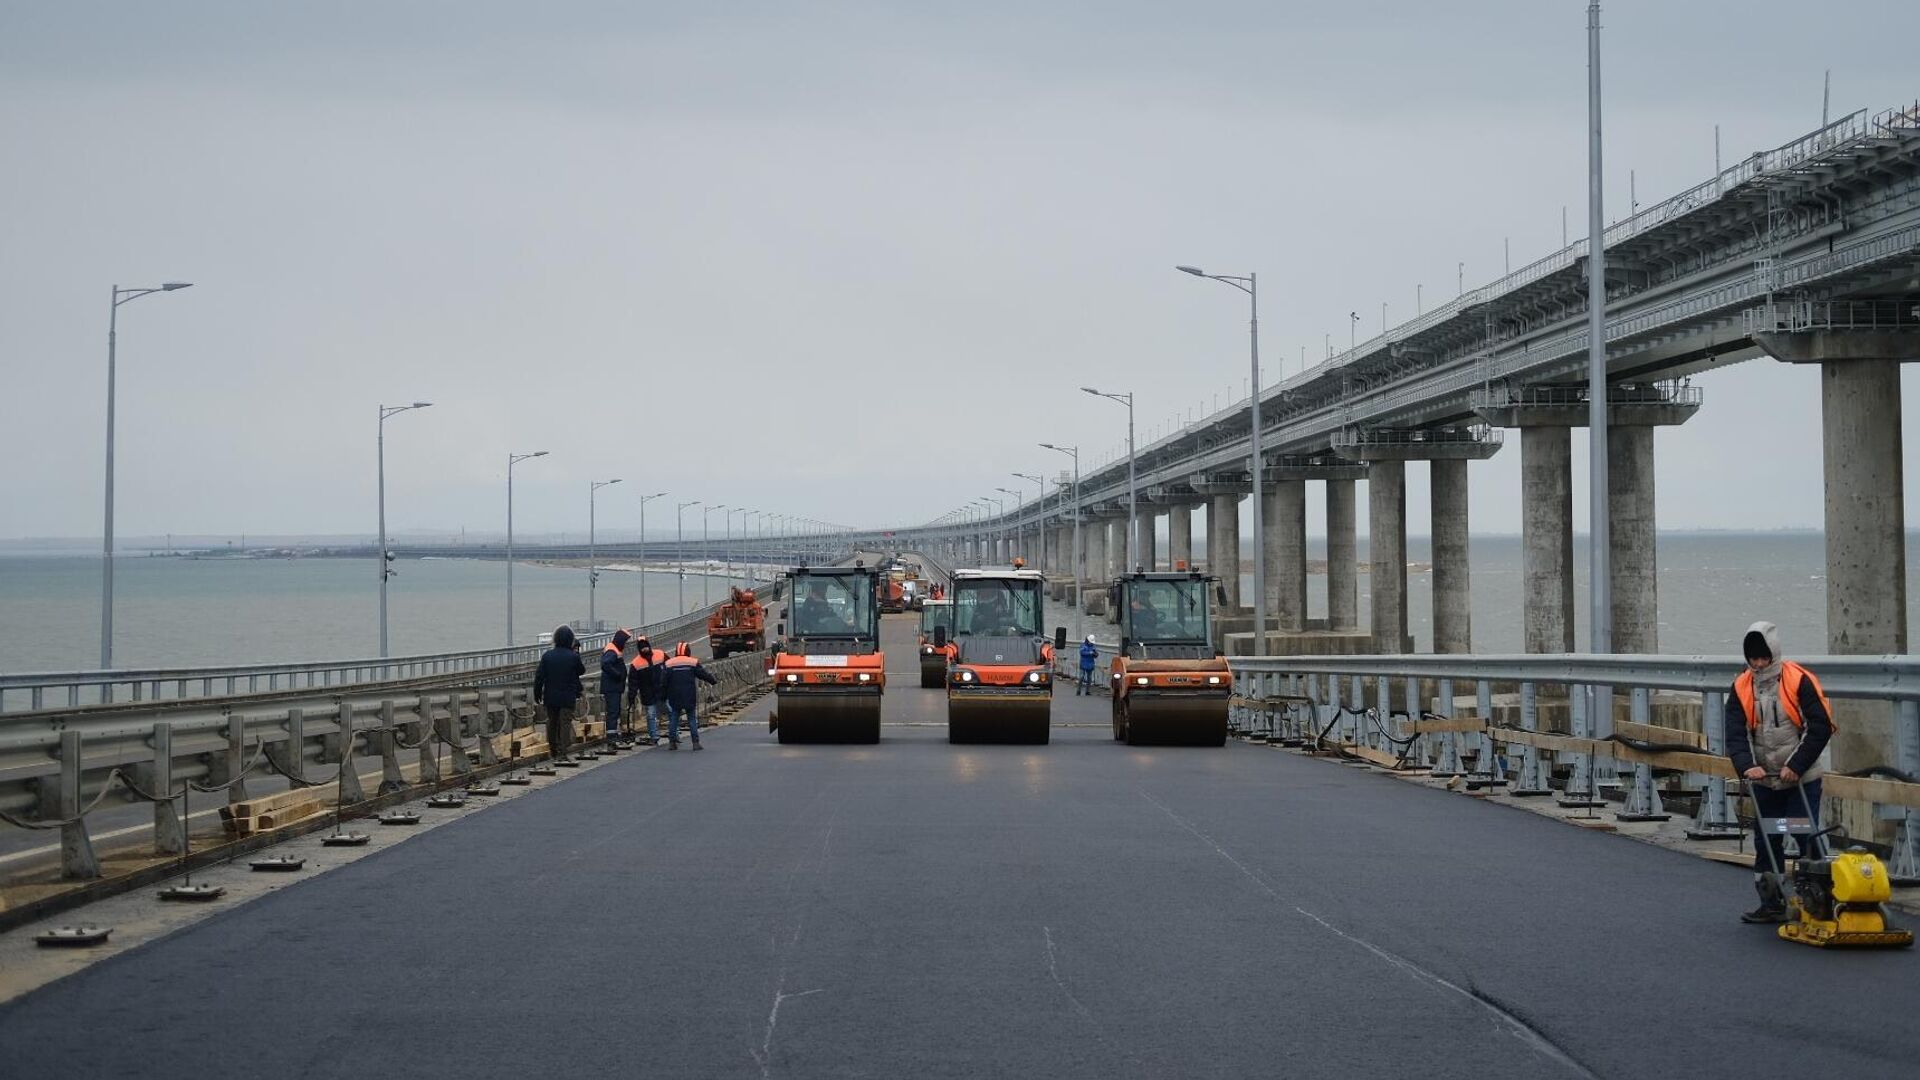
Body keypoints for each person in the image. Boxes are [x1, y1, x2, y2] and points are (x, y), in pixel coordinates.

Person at [1724, 620, 1834, 924]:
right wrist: (1748, 766)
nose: (1758, 664)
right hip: (1765, 779)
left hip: (1800, 777)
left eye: (1763, 657)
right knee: (1766, 838)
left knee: (1801, 832)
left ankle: (1821, 900)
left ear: (1774, 653)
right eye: (1753, 658)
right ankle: (1770, 901)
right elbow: (1735, 733)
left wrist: (1795, 767)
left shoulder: (1799, 680)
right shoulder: (1741, 686)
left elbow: (1820, 726)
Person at [532, 624, 586, 762]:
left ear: (555, 639)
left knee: (552, 722)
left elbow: (539, 677)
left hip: (551, 695)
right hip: (567, 695)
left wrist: (537, 693)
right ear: (570, 640)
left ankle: (553, 750)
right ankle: (563, 752)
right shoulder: (573, 656)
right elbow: (581, 671)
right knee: (565, 723)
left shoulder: (547, 656)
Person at [661, 641, 717, 750]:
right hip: (689, 695)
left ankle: (672, 742)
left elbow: (663, 682)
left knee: (674, 718)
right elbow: (703, 674)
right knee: (691, 718)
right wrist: (712, 680)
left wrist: (663, 695)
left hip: (674, 695)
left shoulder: (669, 663)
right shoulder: (692, 662)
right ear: (688, 651)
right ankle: (695, 743)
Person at [626, 636, 666, 745]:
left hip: (662, 691)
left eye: (646, 647)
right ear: (639, 649)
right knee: (651, 715)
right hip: (648, 693)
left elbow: (669, 669)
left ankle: (674, 734)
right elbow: (633, 683)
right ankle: (654, 736)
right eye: (642, 648)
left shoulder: (660, 654)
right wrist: (631, 697)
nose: (645, 649)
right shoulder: (636, 663)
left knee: (671, 711)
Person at [599, 628, 631, 742]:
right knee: (613, 712)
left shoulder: (615, 649)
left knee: (614, 711)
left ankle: (613, 734)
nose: (626, 644)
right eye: (625, 641)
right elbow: (606, 664)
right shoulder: (612, 650)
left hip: (613, 686)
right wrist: (618, 675)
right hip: (612, 686)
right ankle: (612, 737)